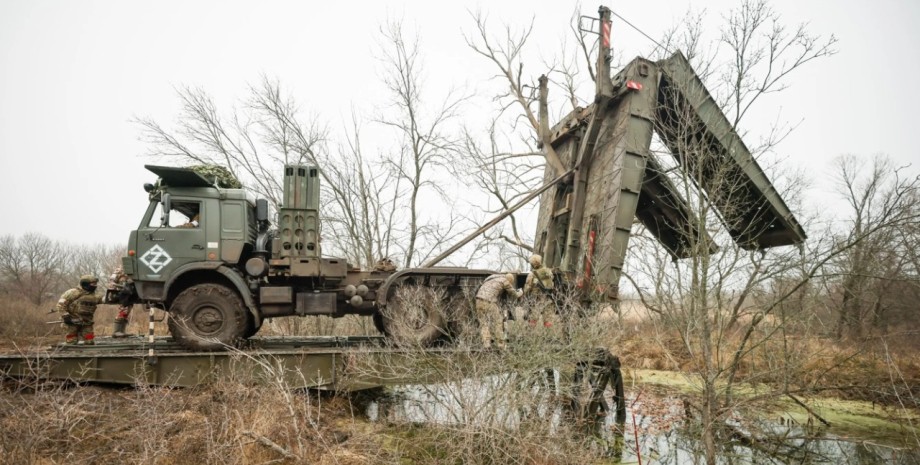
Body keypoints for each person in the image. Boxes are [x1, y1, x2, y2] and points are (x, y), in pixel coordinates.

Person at [475, 273, 522, 349]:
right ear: (510, 280)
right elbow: (514, 294)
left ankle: (486, 343)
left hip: (478, 300)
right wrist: (520, 292)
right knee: (498, 321)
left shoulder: (491, 279)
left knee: (483, 322)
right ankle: (500, 344)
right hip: (489, 301)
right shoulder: (505, 281)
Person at [56, 275, 102, 345]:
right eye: (93, 284)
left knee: (90, 341)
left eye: (95, 284)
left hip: (87, 322)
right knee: (72, 341)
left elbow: (105, 300)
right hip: (72, 321)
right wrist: (65, 316)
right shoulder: (72, 293)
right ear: (85, 284)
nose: (95, 286)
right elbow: (60, 305)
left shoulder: (94, 296)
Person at [523, 254, 556, 327]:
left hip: (537, 300)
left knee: (533, 319)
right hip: (548, 298)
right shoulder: (548, 271)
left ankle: (530, 336)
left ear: (532, 264)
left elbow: (527, 287)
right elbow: (551, 280)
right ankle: (549, 336)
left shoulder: (532, 274)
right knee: (548, 321)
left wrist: (525, 294)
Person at [106, 267, 133, 338]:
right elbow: (111, 283)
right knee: (123, 311)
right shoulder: (120, 270)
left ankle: (121, 331)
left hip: (129, 294)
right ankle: (116, 332)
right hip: (121, 293)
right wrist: (120, 287)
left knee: (127, 312)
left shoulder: (133, 271)